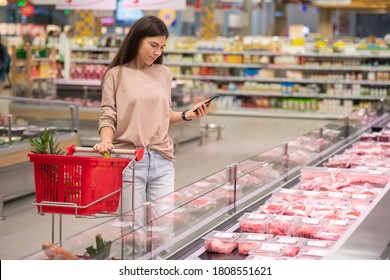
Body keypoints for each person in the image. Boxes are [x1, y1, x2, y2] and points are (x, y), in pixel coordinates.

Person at [93, 15, 211, 214]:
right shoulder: (115, 75)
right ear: (137, 39)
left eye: (162, 47)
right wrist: (105, 141)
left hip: (162, 158)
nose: (157, 52)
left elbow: (162, 115)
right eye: (153, 45)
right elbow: (108, 115)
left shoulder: (164, 73)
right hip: (129, 160)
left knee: (163, 228)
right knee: (132, 231)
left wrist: (187, 115)